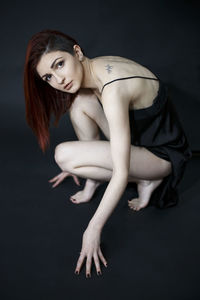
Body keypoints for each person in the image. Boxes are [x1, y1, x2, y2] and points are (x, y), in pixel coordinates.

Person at [23, 29, 192, 278]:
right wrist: (84, 168)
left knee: (64, 155)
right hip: (138, 140)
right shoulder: (97, 68)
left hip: (163, 156)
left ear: (77, 52)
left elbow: (120, 173)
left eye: (60, 64)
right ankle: (95, 183)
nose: (58, 79)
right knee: (79, 102)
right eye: (49, 76)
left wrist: (93, 229)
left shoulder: (113, 88)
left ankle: (148, 178)